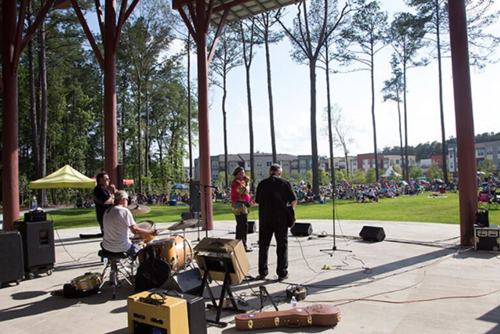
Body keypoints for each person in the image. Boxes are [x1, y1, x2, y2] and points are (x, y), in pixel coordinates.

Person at [255, 163, 297, 281]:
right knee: (282, 246)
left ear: (270, 172)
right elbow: (293, 201)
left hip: (265, 219)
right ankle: (282, 273)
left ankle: (262, 272)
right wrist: (289, 211)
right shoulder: (285, 183)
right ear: (280, 173)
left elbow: (258, 201)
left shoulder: (262, 184)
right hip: (280, 219)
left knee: (263, 246)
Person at [102, 190, 158, 257]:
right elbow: (135, 230)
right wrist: (150, 232)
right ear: (123, 200)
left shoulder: (107, 211)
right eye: (127, 199)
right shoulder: (124, 211)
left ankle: (114, 266)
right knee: (143, 251)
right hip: (121, 247)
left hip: (106, 246)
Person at [231, 166, 253, 252]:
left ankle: (239, 245)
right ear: (236, 174)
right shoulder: (236, 183)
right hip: (239, 208)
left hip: (242, 207)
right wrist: (247, 183)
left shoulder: (240, 182)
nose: (243, 175)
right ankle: (242, 246)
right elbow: (245, 191)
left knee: (241, 226)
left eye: (244, 173)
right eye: (241, 173)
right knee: (242, 227)